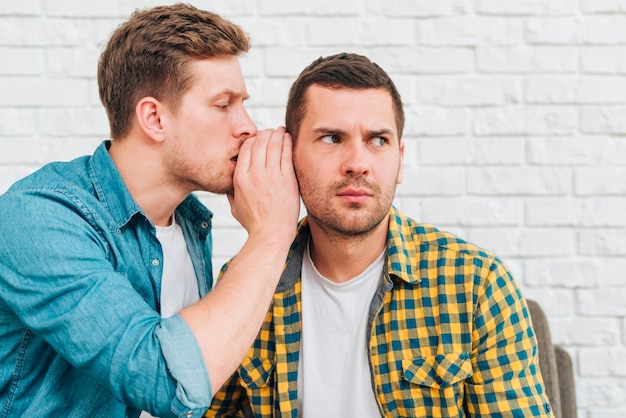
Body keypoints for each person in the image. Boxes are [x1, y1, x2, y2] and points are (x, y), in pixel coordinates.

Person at [206, 53, 554, 417]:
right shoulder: (249, 283)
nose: (357, 162)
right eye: (332, 138)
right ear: (290, 155)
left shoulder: (476, 283)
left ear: (400, 160)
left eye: (378, 140)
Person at [0, 4, 300, 418]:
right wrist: (272, 234)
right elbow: (166, 378)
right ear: (155, 118)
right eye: (223, 105)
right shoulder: (37, 218)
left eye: (243, 103)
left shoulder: (190, 221)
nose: (247, 125)